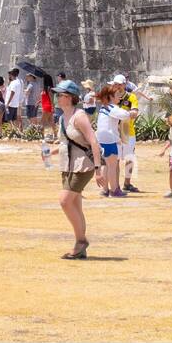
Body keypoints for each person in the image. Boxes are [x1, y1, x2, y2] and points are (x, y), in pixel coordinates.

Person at [54, 79, 101, 259]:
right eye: (57, 95)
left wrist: (98, 169)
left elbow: (93, 141)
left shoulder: (79, 116)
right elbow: (66, 142)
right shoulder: (62, 117)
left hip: (83, 166)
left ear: (70, 98)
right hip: (67, 165)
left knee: (65, 201)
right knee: (75, 204)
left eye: (61, 95)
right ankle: (80, 246)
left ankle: (81, 241)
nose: (58, 98)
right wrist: (50, 152)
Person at [94, 83, 132, 197]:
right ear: (110, 97)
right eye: (117, 94)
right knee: (112, 167)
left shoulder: (103, 108)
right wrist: (131, 112)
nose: (119, 97)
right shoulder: (112, 108)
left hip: (101, 140)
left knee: (106, 166)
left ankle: (105, 190)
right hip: (110, 140)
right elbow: (125, 114)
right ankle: (115, 190)